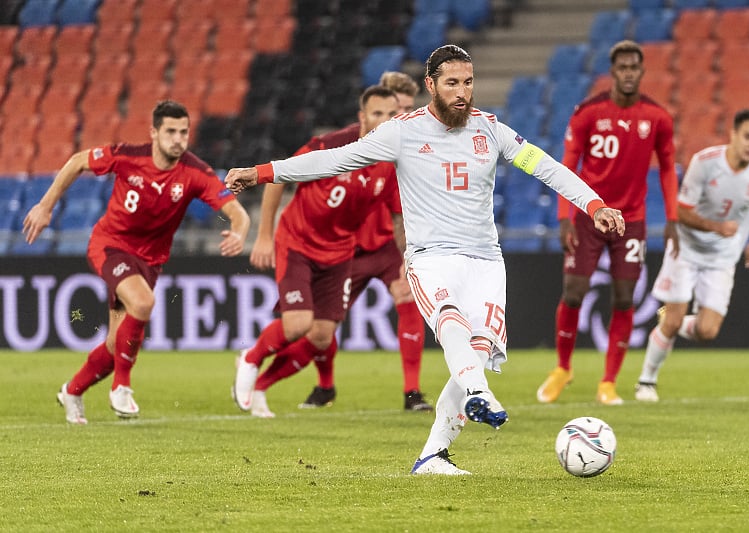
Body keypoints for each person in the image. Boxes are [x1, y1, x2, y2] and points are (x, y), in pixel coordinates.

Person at [225, 44, 625, 475]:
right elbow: (334, 160)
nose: (462, 93)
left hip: (486, 261)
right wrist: (264, 171)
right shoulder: (403, 131)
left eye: (468, 83)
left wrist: (594, 203)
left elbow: (545, 166)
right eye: (452, 83)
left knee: (477, 350)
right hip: (431, 258)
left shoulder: (491, 130)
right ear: (431, 84)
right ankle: (479, 391)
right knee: (452, 324)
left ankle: (433, 454)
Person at [22, 100, 250, 424]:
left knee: (117, 345)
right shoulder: (129, 155)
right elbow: (77, 161)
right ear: (154, 132)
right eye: (170, 131)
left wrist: (240, 233)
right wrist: (46, 206)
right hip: (110, 246)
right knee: (143, 302)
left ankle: (72, 390)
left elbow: (236, 212)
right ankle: (122, 387)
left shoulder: (196, 172)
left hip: (150, 260)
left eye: (183, 132)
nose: (178, 139)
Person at [249, 72, 433, 414]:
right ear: (370, 112)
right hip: (347, 249)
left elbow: (409, 206)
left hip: (387, 247)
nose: (401, 117)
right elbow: (290, 172)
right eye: (394, 109)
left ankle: (412, 392)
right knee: (317, 332)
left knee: (408, 299)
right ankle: (319, 384)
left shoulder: (406, 147)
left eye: (406, 110)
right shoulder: (346, 144)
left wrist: (413, 250)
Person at [536, 39, 680, 406]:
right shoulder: (587, 113)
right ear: (612, 72)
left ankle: (608, 382)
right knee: (573, 291)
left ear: (641, 71)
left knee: (624, 297)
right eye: (622, 68)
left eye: (634, 67)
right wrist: (565, 217)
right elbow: (566, 167)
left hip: (631, 220)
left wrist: (673, 217)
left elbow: (666, 170)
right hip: (589, 214)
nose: (629, 73)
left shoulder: (657, 117)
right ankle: (562, 369)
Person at [635, 109, 749, 402]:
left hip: (723, 256)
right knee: (675, 321)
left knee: (707, 330)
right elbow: (681, 212)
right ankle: (646, 382)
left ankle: (668, 321)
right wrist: (716, 227)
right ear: (733, 134)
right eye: (748, 136)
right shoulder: (705, 163)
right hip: (686, 249)